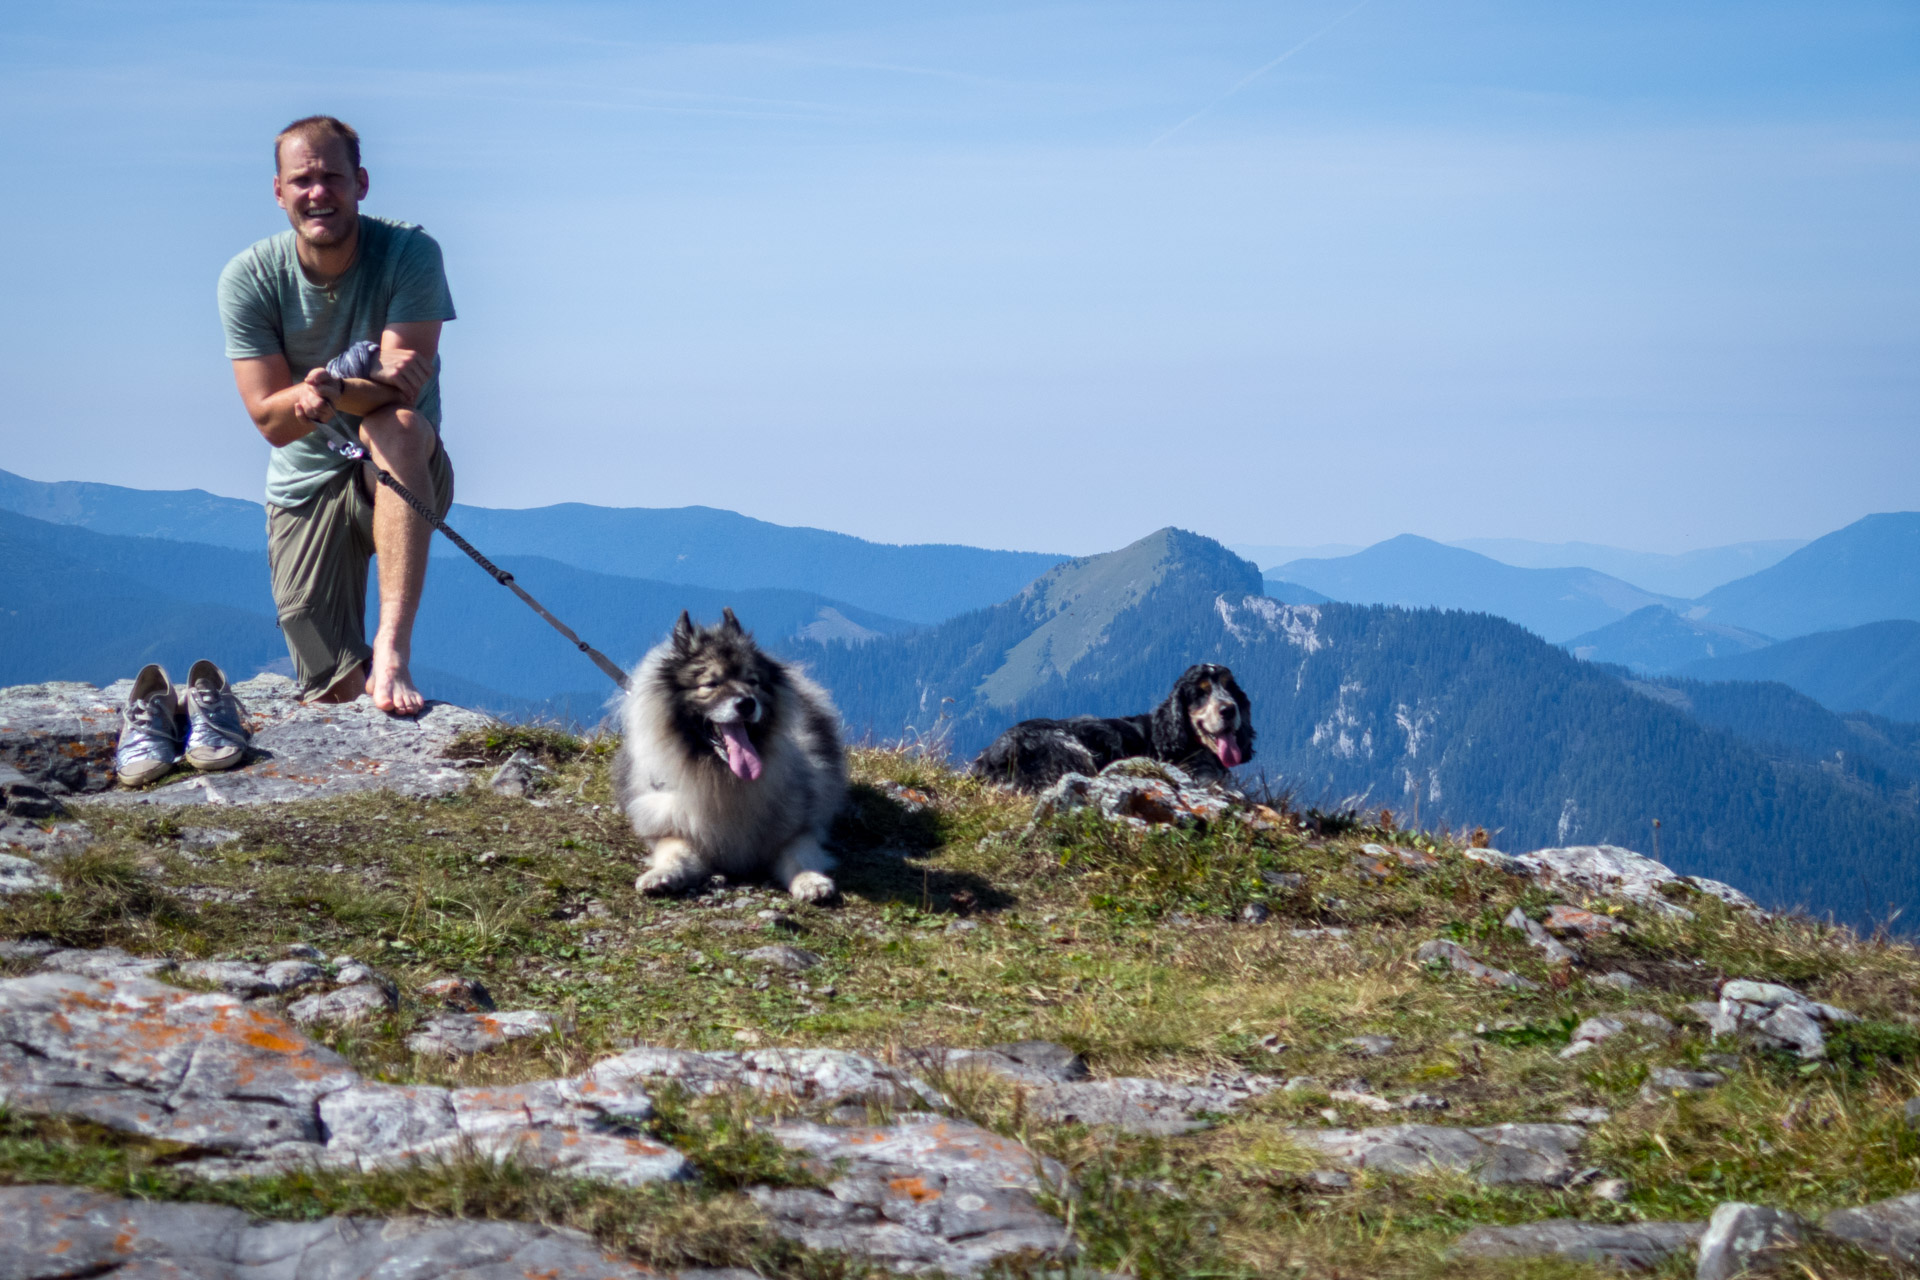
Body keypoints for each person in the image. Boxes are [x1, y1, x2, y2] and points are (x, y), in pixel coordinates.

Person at [217, 115, 456, 715]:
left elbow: (403, 386)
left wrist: (324, 390)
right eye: (302, 180)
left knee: (393, 427)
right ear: (279, 191)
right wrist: (340, 388)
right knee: (331, 686)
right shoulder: (248, 278)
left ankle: (393, 648)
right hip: (304, 479)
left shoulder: (409, 253)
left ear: (361, 183)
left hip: (404, 468)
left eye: (332, 177)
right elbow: (271, 423)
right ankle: (366, 693)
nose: (317, 192)